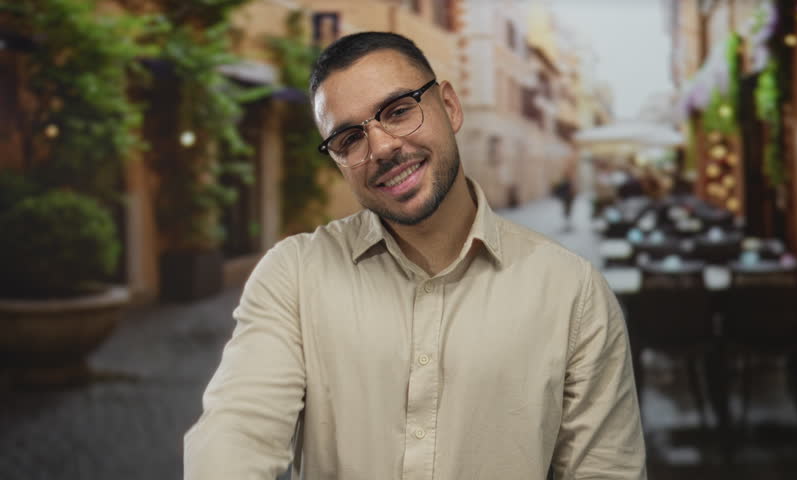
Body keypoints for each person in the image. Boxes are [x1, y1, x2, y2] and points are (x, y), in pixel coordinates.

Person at [184, 32, 646, 479]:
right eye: (349, 139)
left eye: (399, 111)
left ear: (449, 106)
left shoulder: (572, 293)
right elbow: (236, 432)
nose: (382, 147)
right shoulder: (294, 276)